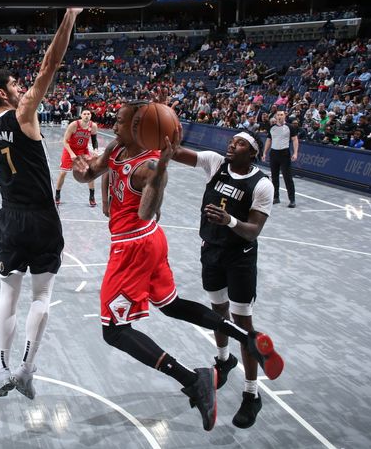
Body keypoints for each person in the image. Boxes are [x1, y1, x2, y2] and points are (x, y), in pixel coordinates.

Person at [72, 101, 283, 431]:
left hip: (134, 246)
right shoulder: (117, 146)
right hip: (152, 241)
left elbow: (146, 211)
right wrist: (80, 168)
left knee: (113, 331)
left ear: (140, 127)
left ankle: (192, 380)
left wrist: (160, 173)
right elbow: (90, 170)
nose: (113, 123)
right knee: (170, 305)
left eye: (120, 120)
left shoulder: (148, 167)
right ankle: (246, 336)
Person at [0, 8, 81, 400]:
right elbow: (52, 63)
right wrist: (69, 18)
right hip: (42, 217)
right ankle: (27, 369)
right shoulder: (25, 114)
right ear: (4, 94)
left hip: (10, 216)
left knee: (6, 298)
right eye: (14, 84)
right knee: (41, 296)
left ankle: (0, 369)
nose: (20, 87)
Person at [172, 130, 276, 428]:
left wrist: (228, 220)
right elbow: (178, 154)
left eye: (240, 143)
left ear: (253, 152)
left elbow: (254, 230)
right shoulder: (215, 163)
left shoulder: (262, 185)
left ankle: (252, 394)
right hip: (212, 252)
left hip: (240, 257)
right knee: (218, 313)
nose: (232, 144)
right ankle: (223, 360)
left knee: (243, 325)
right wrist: (165, 144)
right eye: (232, 140)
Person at [55, 109, 98, 206]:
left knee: (90, 173)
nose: (87, 115)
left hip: (83, 150)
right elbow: (65, 141)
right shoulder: (74, 125)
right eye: (84, 114)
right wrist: (71, 153)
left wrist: (95, 150)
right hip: (70, 149)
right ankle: (57, 194)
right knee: (63, 173)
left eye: (88, 114)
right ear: (81, 115)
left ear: (90, 115)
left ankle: (92, 196)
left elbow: (94, 141)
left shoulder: (93, 126)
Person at [261, 110, 298, 208]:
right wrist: (264, 153)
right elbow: (269, 140)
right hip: (274, 153)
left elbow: (295, 140)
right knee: (274, 177)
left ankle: (292, 200)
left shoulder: (290, 127)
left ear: (284, 116)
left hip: (284, 154)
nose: (280, 116)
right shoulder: (272, 128)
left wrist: (295, 153)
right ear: (276, 116)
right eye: (278, 115)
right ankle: (276, 197)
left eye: (281, 115)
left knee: (287, 177)